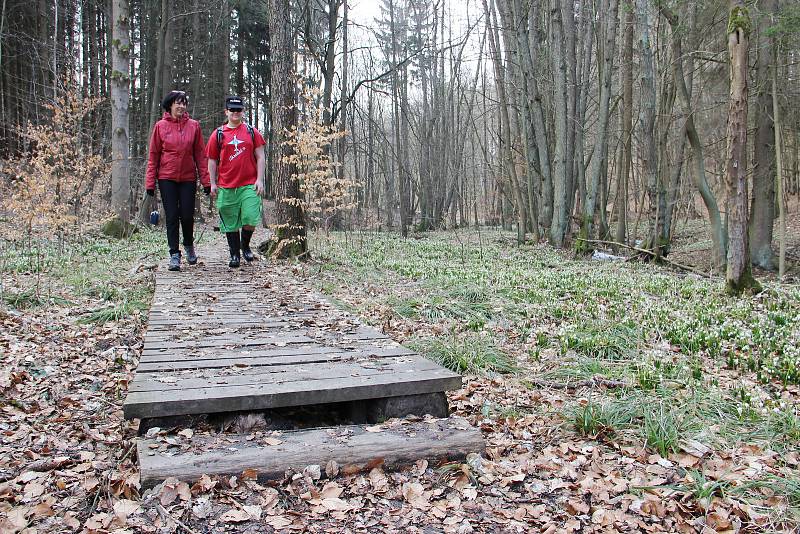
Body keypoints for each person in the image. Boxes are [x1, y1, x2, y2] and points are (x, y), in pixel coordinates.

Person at [145, 90, 211, 271]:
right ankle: (174, 253)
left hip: (188, 177)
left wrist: (206, 181)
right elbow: (153, 156)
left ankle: (189, 245)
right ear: (170, 105)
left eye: (184, 103)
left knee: (188, 215)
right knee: (172, 215)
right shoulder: (160, 126)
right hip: (167, 177)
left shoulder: (194, 126)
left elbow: (200, 155)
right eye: (178, 103)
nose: (181, 106)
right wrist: (150, 183)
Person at [205, 96, 266, 268]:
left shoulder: (252, 132)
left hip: (249, 183)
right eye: (232, 110)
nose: (235, 113)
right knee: (230, 220)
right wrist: (212, 183)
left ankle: (245, 245)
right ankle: (234, 254)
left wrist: (260, 179)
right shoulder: (218, 134)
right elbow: (212, 160)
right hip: (226, 184)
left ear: (243, 112)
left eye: (238, 110)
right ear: (226, 112)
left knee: (250, 217)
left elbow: (261, 156)